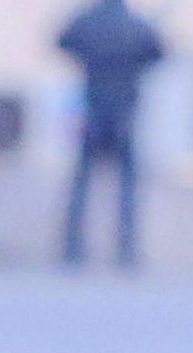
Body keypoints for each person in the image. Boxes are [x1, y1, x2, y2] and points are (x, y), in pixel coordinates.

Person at [56, 0, 168, 270]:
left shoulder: (86, 21)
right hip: (124, 112)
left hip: (94, 106)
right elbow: (159, 53)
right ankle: (126, 248)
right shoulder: (136, 25)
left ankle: (73, 247)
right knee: (127, 185)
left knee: (82, 183)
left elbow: (62, 42)